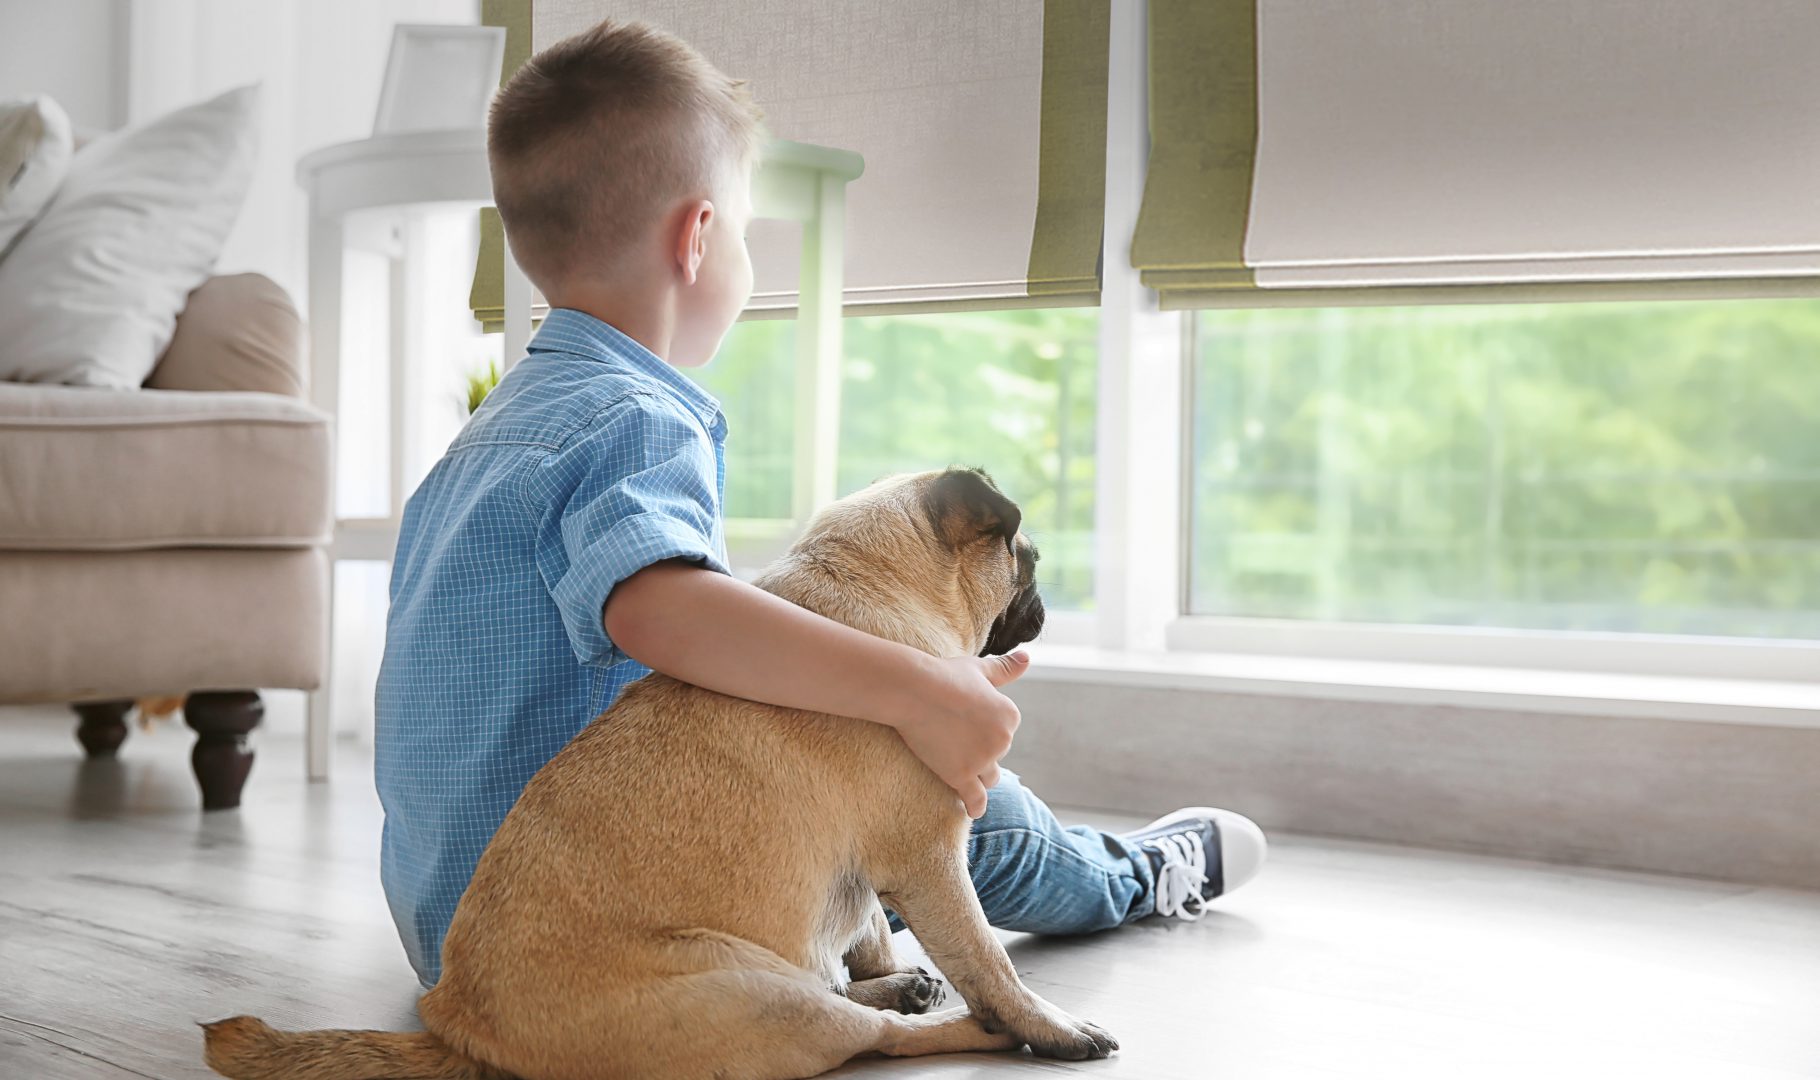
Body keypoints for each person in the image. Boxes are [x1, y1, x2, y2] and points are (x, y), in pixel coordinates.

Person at [374, 18, 1267, 989]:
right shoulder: (630, 418)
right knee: (957, 807)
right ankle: (1126, 877)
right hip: (578, 926)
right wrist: (920, 687)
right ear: (697, 237)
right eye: (749, 236)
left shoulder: (495, 435)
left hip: (452, 924)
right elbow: (661, 611)